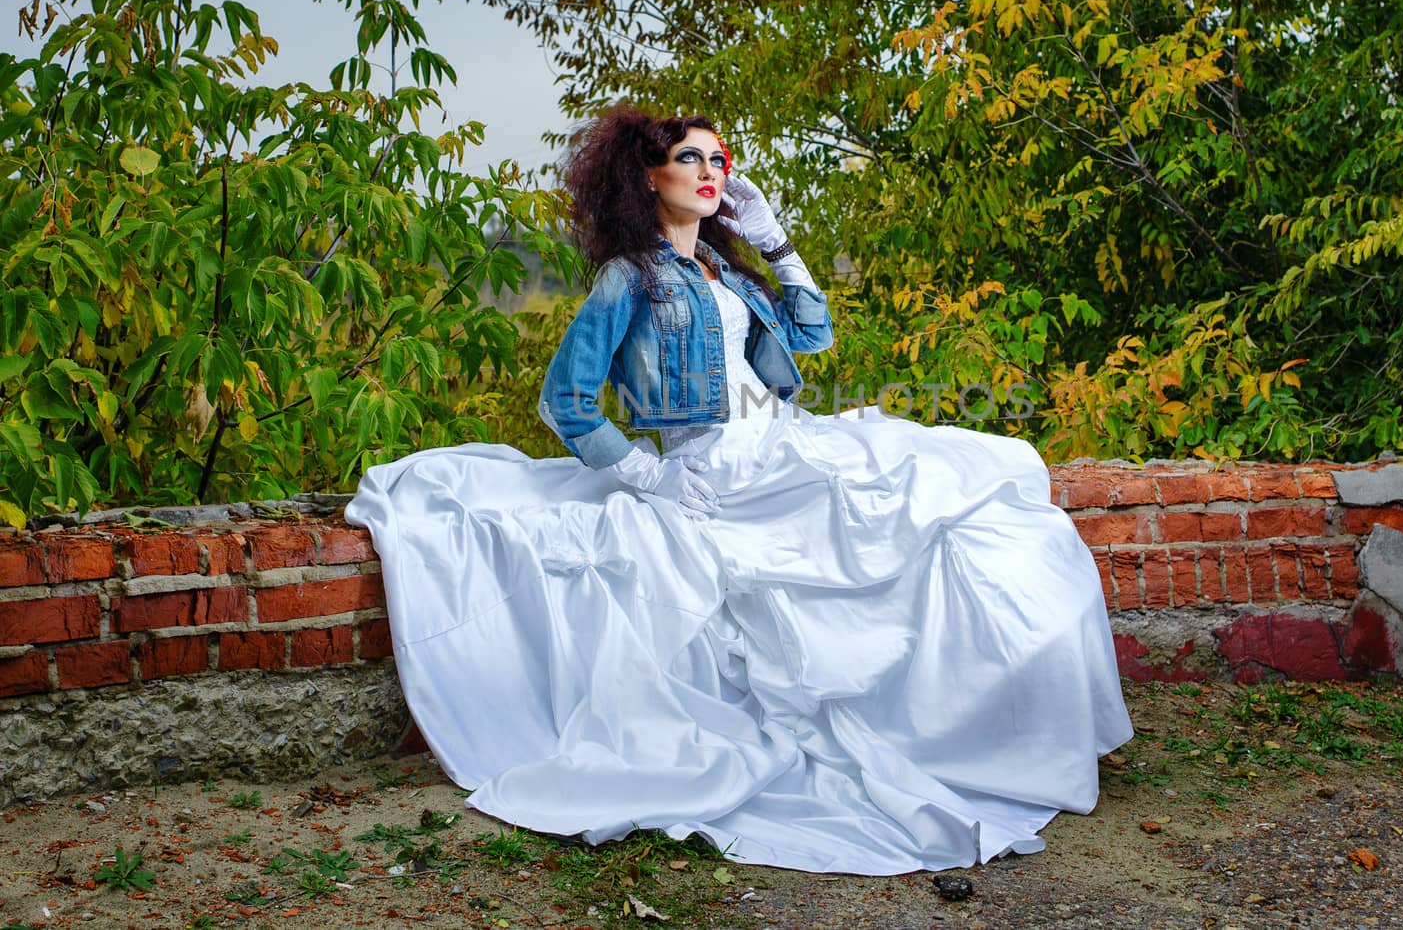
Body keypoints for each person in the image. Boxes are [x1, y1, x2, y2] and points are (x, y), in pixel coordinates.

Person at [346, 107, 1133, 876]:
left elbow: (813, 335)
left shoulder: (724, 272)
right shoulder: (630, 279)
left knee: (968, 486)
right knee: (911, 507)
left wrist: (776, 240)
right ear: (648, 175)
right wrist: (646, 473)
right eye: (690, 158)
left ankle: (977, 727)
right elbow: (566, 400)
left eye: (719, 160)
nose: (710, 172)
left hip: (781, 441)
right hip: (717, 465)